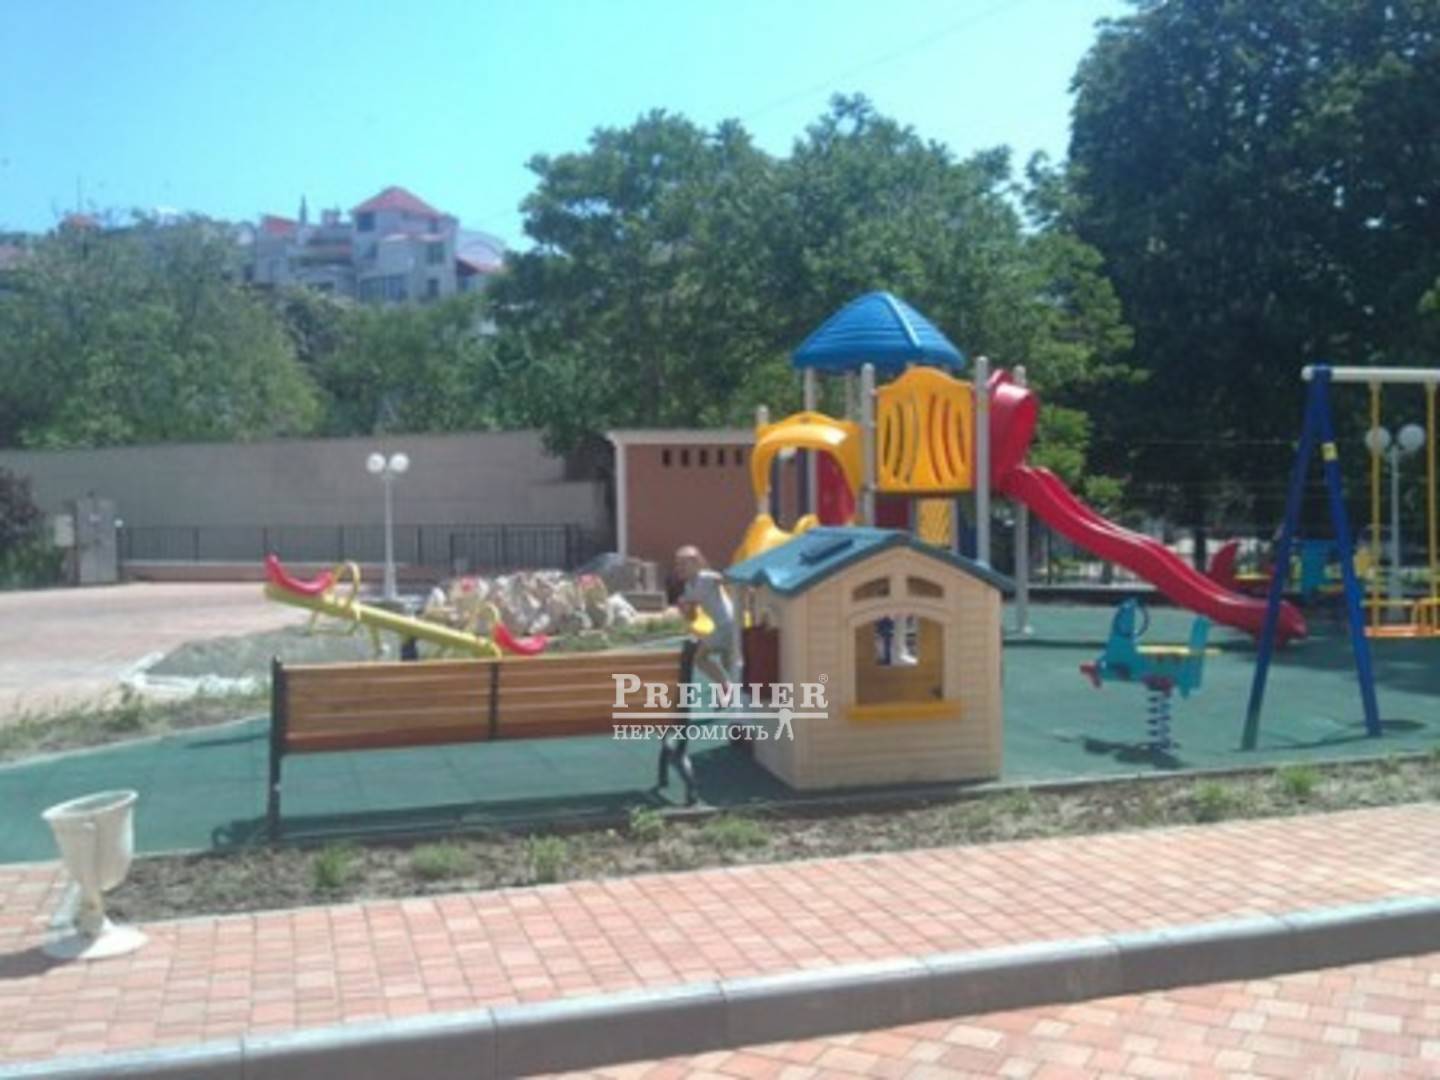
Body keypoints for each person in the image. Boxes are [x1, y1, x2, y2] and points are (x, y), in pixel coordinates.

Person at [673, 544, 742, 688]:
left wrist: (731, 581)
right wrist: (685, 608)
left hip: (727, 623)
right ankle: (739, 687)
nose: (679, 568)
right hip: (722, 626)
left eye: (683, 564)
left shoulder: (707, 577)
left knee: (700, 658)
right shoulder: (689, 587)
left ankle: (727, 687)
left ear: (696, 564)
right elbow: (692, 618)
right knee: (726, 661)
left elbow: (727, 579)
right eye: (678, 564)